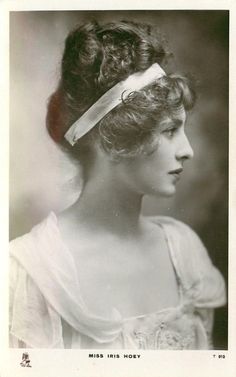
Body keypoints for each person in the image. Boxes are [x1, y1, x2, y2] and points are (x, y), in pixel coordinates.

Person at [9, 20, 226, 349]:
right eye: (169, 130)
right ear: (114, 138)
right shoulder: (28, 272)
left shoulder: (184, 252)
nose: (188, 151)